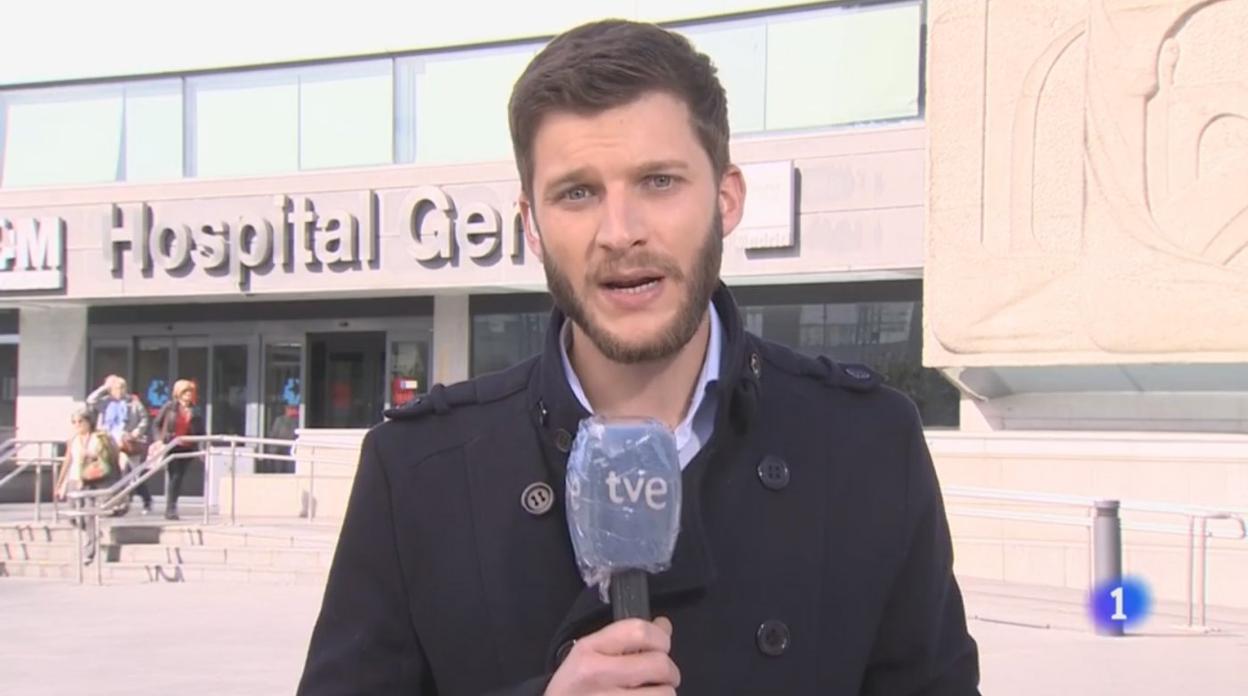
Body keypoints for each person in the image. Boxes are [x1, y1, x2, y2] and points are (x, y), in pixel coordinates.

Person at [299, 19, 979, 695]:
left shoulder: (864, 444)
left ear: (726, 199)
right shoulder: (419, 471)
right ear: (532, 225)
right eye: (578, 192)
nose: (620, 233)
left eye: (658, 181)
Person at [54, 405, 119, 561]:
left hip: (91, 479)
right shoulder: (73, 440)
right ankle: (93, 533)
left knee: (89, 514)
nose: (77, 425)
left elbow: (108, 457)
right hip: (75, 478)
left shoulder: (99, 437)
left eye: (80, 421)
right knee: (73, 516)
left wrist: (92, 455)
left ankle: (89, 549)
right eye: (74, 422)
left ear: (89, 422)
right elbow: (68, 460)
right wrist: (59, 483)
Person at [86, 375, 153, 514]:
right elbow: (90, 400)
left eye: (122, 388)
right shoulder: (106, 402)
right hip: (109, 441)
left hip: (127, 441)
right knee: (111, 472)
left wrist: (136, 432)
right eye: (116, 388)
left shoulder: (133, 402)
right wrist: (104, 388)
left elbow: (144, 419)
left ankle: (146, 499)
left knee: (132, 473)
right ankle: (117, 502)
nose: (120, 391)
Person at [152, 379, 204, 520]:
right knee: (174, 476)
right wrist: (159, 440)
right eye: (185, 392)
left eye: (190, 392)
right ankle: (170, 508)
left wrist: (201, 446)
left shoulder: (195, 410)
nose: (188, 395)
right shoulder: (170, 407)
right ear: (179, 393)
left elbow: (201, 431)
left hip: (187, 448)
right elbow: (156, 424)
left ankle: (173, 505)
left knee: (179, 477)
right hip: (172, 446)